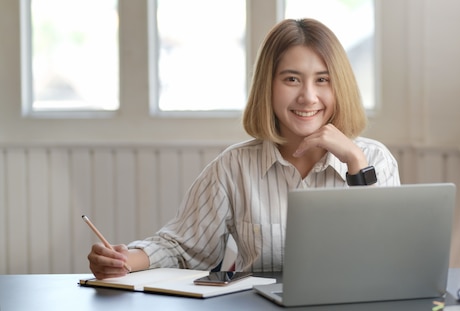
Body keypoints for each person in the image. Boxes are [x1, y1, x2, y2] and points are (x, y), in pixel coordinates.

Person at [87, 18, 401, 279]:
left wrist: (357, 165)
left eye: (322, 80)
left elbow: (388, 256)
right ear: (269, 85)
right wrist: (125, 259)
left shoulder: (374, 159)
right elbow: (183, 246)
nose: (308, 96)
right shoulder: (234, 166)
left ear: (339, 87)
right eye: (292, 79)